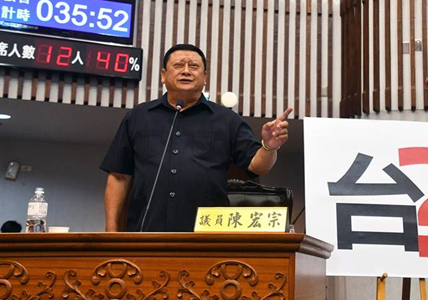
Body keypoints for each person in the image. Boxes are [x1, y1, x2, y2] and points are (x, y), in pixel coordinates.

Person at [101, 44, 292, 232]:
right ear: (163, 75)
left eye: (193, 66)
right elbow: (119, 176)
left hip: (206, 238)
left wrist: (269, 146)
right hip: (146, 233)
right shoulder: (138, 116)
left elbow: (257, 166)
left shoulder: (227, 120)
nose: (186, 71)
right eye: (178, 65)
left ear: (205, 77)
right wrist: (111, 232)